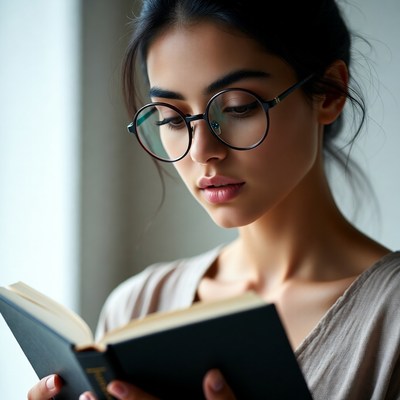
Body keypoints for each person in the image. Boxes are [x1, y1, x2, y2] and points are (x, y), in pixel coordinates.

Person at [28, 0, 400, 399]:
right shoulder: (139, 306)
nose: (201, 150)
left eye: (239, 108)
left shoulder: (390, 323)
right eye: (172, 118)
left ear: (328, 93)